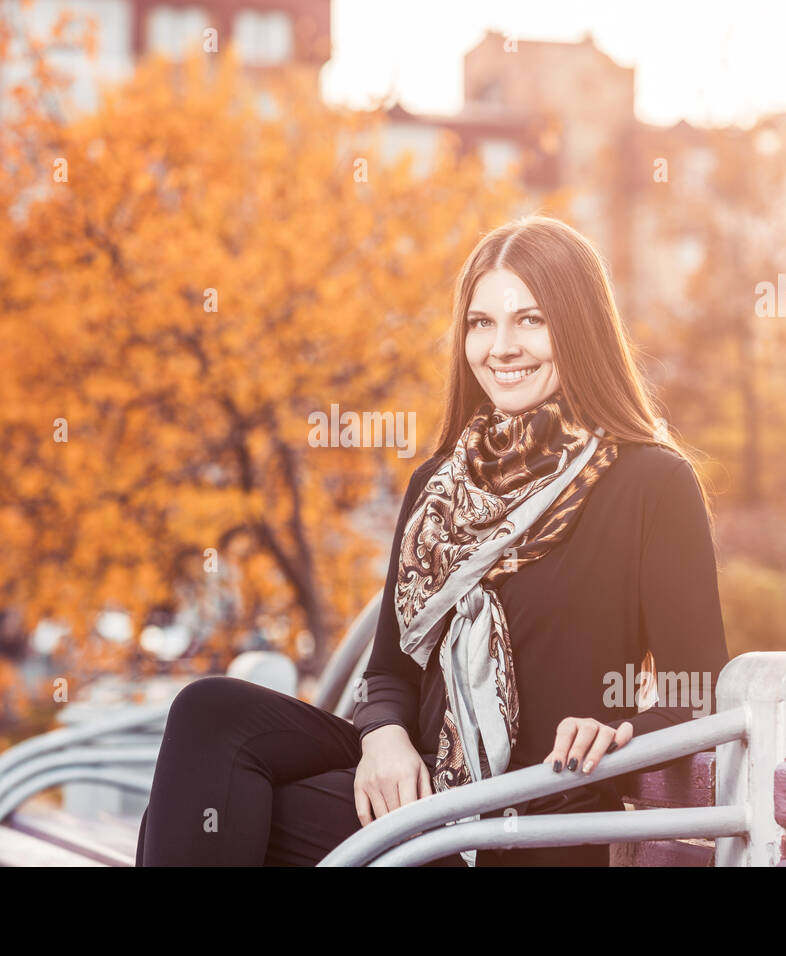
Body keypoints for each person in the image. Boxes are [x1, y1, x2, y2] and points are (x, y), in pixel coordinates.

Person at [136, 215, 730, 867]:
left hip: (519, 823)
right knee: (210, 715)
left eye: (530, 320)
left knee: (218, 814)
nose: (501, 347)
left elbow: (693, 684)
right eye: (482, 323)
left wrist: (618, 733)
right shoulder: (439, 485)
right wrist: (384, 737)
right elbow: (390, 672)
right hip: (421, 796)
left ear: (580, 327)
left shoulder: (649, 481)